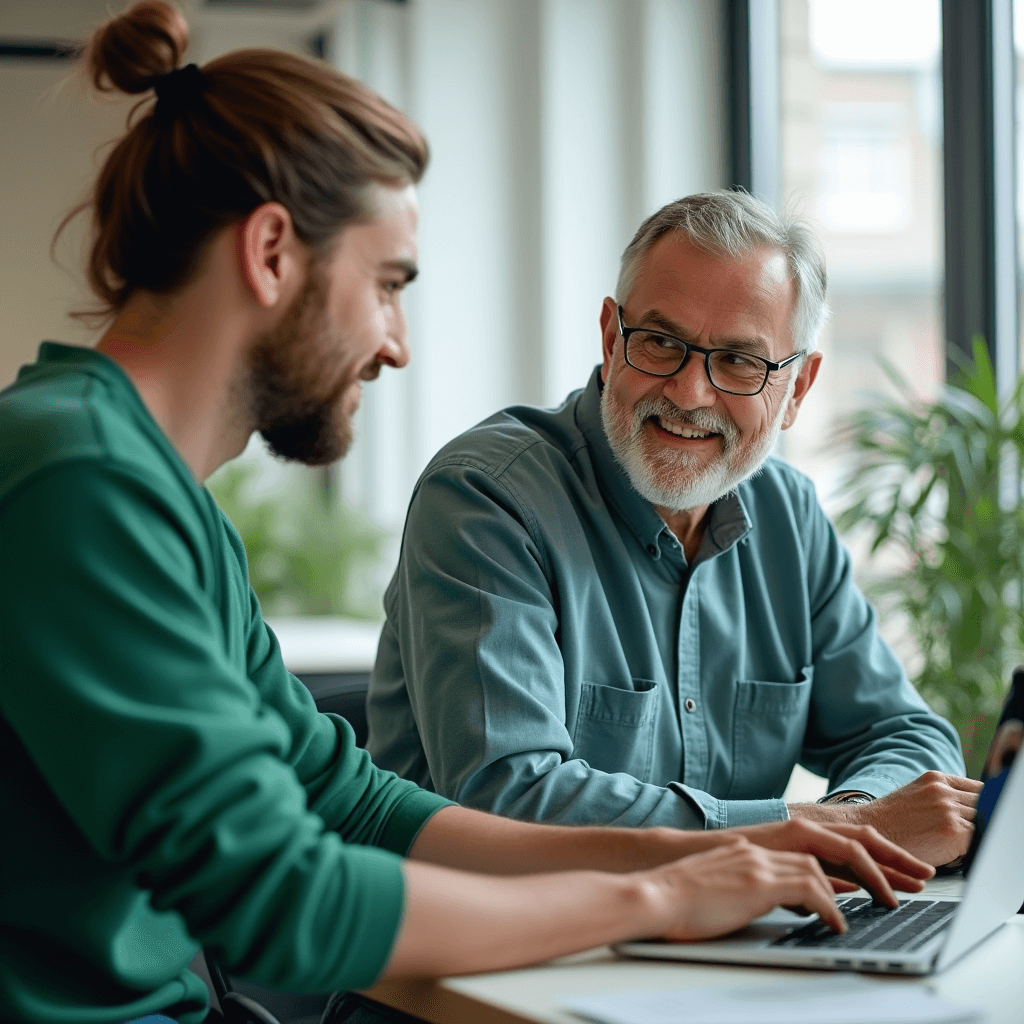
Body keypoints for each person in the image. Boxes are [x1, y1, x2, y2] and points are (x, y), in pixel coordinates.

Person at [0, 6, 937, 1024]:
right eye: (388, 284)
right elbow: (282, 901)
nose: (397, 342)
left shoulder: (156, 494)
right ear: (272, 253)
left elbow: (347, 800)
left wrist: (721, 853)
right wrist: (661, 892)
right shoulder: (77, 479)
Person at [366, 190, 982, 869]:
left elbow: (904, 733)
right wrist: (806, 836)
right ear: (610, 337)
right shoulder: (487, 499)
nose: (690, 393)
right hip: (490, 959)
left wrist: (851, 823)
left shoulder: (789, 515)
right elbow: (509, 800)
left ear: (798, 389)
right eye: (660, 342)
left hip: (720, 950)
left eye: (741, 362)